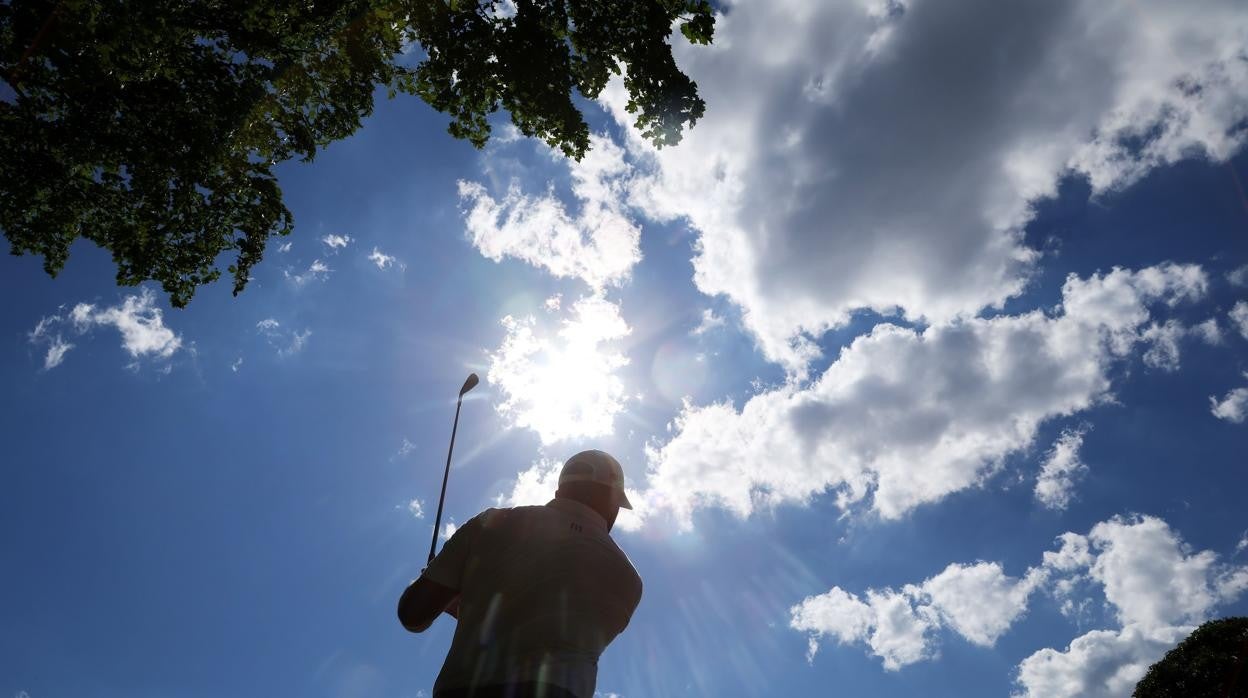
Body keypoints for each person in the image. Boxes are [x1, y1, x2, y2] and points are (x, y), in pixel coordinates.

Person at [398, 449, 643, 698]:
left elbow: (413, 615)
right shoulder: (629, 580)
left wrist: (444, 584)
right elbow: (549, 625)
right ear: (612, 501)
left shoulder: (492, 522)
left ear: (560, 490)